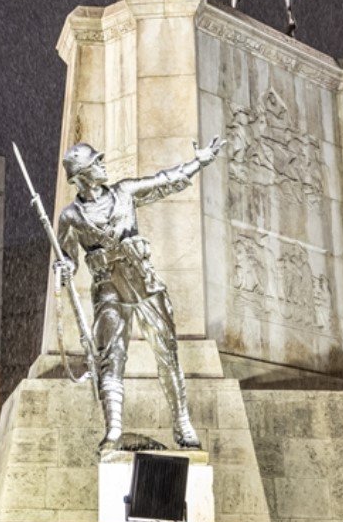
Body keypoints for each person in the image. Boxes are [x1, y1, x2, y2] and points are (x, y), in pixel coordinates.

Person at [52, 137, 224, 453]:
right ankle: (114, 430)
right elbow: (68, 258)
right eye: (96, 164)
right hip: (108, 288)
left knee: (167, 351)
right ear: (82, 176)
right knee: (111, 357)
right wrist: (63, 267)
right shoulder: (70, 217)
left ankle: (182, 422)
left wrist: (198, 162)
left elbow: (162, 182)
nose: (103, 166)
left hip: (144, 282)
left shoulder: (124, 192)